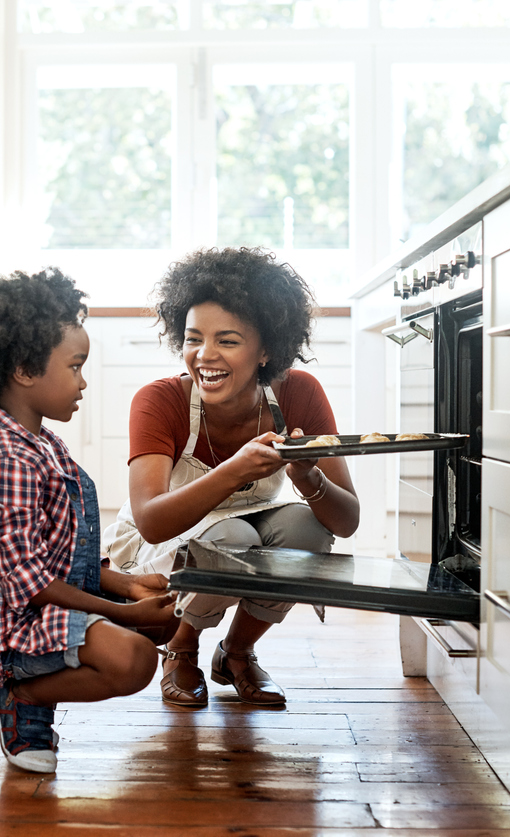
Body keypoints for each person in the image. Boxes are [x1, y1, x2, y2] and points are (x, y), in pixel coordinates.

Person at [0, 267, 180, 774]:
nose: (83, 381)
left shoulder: (41, 443)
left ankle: (41, 689)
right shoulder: (10, 461)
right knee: (135, 660)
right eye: (75, 366)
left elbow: (62, 550)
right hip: (12, 623)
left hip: (47, 599)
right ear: (25, 369)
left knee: (167, 619)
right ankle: (22, 701)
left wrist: (128, 587)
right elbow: (30, 581)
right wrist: (125, 614)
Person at [102, 248, 360, 708]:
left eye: (227, 340)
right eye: (193, 338)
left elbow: (346, 520)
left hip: (255, 519)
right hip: (166, 538)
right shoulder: (159, 401)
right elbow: (152, 521)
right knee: (230, 534)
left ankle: (236, 653)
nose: (204, 356)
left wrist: (307, 476)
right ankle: (181, 648)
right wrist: (235, 469)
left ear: (266, 350)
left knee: (306, 526)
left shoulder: (299, 392)